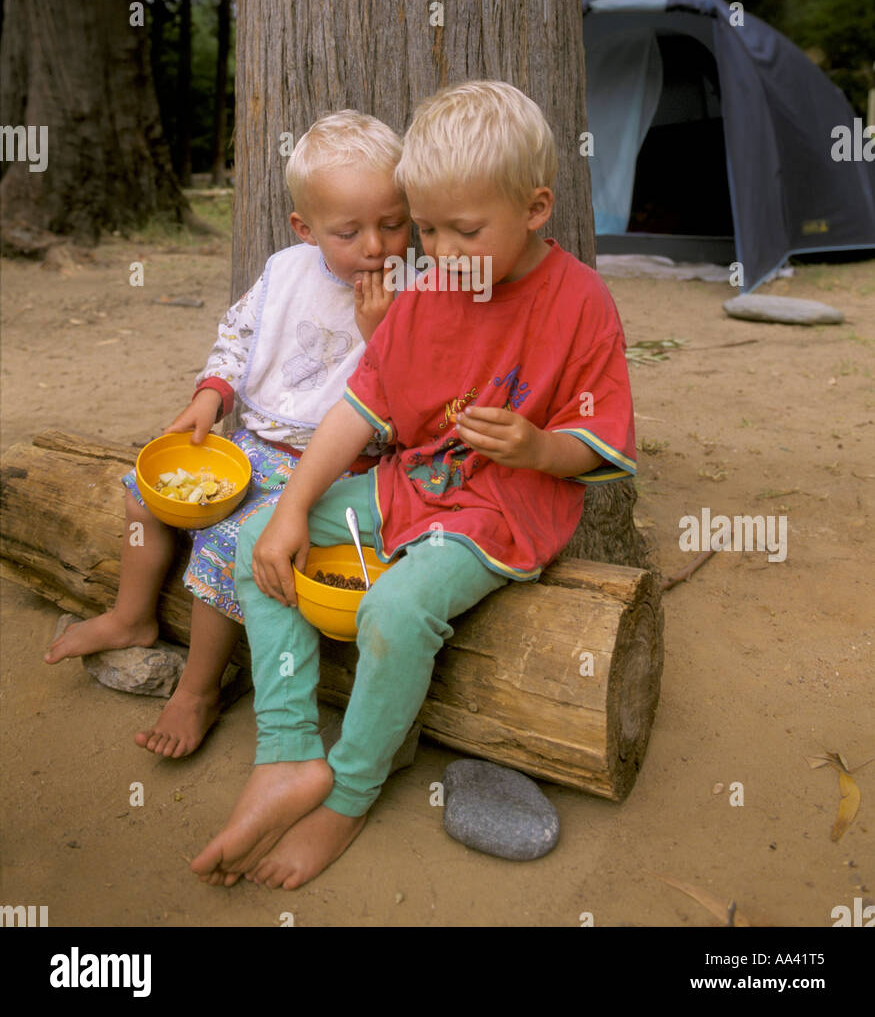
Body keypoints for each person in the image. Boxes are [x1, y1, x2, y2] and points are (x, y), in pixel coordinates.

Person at [192, 79, 637, 891]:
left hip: (501, 509)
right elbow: (360, 412)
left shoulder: (580, 302)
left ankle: (352, 789)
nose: (437, 253)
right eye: (425, 229)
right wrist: (292, 506)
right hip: (411, 484)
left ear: (536, 208)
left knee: (394, 609)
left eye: (464, 231)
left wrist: (540, 447)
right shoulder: (430, 290)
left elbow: (601, 444)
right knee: (257, 541)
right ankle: (290, 753)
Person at [44, 111, 411, 758]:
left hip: (331, 474)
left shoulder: (412, 293)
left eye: (393, 223)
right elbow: (238, 337)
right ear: (305, 229)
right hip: (251, 443)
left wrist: (382, 333)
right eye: (348, 231)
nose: (376, 247)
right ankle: (133, 617)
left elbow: (410, 401)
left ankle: (198, 688)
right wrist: (211, 395)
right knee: (143, 494)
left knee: (224, 544)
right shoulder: (284, 271)